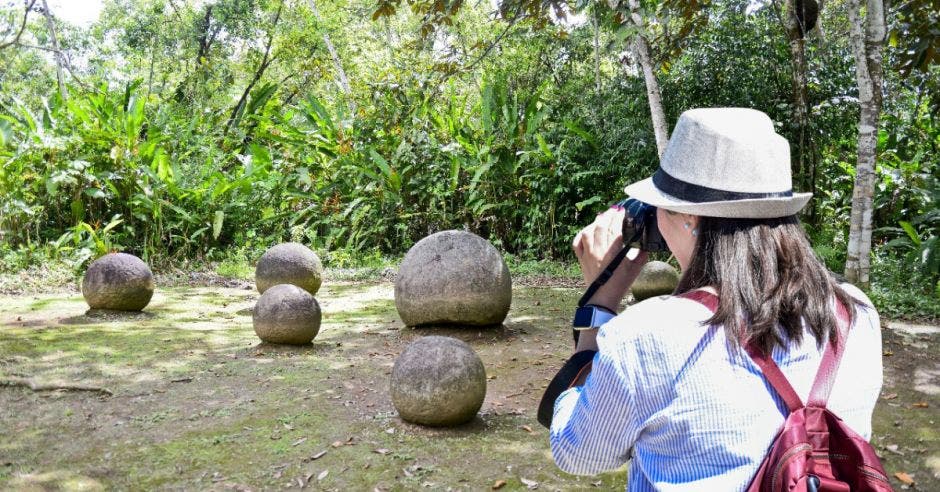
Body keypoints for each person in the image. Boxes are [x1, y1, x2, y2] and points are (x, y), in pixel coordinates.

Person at [544, 108, 883, 490]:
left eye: (659, 207)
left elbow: (579, 453)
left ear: (690, 218)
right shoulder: (855, 313)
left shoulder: (646, 337)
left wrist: (600, 305)